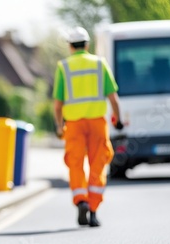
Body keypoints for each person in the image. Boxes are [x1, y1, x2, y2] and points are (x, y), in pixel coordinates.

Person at [53, 27, 123, 227]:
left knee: (75, 163)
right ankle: (93, 210)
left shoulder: (63, 67)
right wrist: (117, 119)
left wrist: (59, 126)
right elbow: (114, 99)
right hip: (97, 123)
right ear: (87, 45)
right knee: (98, 164)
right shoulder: (100, 64)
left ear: (70, 46)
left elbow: (58, 104)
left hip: (74, 124)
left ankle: (81, 200)